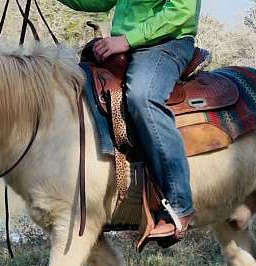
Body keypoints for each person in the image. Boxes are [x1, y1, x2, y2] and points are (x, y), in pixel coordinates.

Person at [57, 0, 201, 241]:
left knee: (143, 97)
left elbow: (182, 11)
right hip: (126, 45)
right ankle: (96, 196)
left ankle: (180, 204)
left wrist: (125, 40)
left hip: (167, 43)